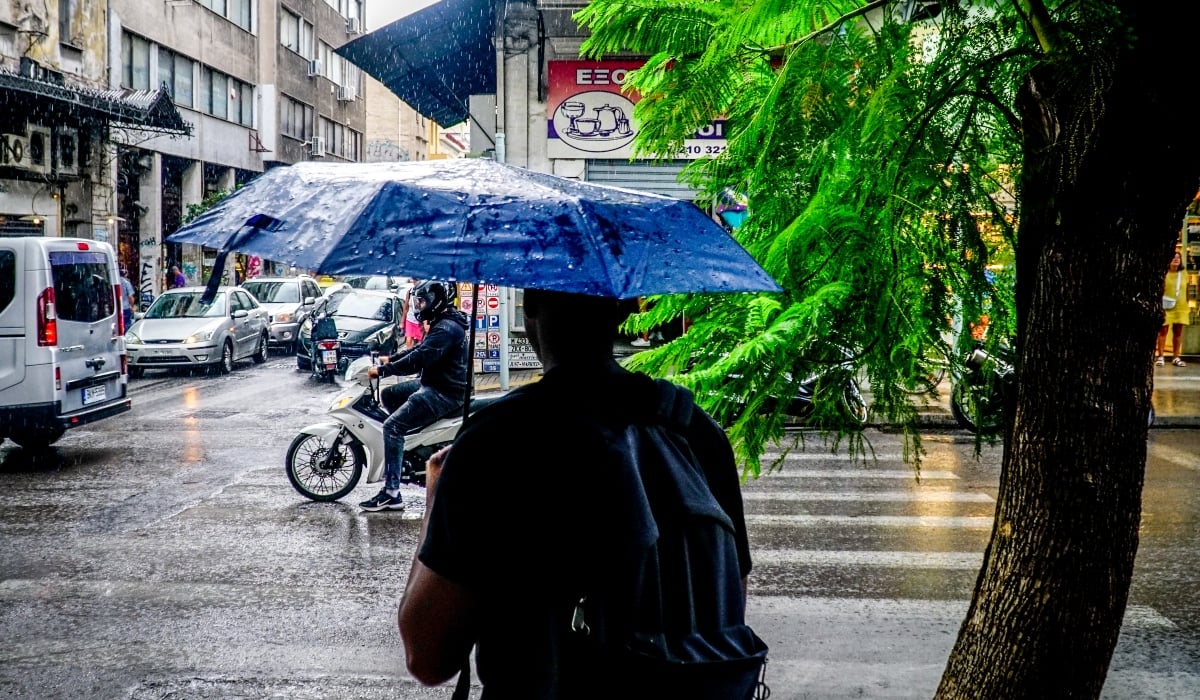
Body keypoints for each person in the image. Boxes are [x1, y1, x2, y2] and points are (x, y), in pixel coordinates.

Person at [397, 289, 752, 697]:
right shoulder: (696, 433)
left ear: (529, 305)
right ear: (623, 307)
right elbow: (728, 607)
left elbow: (428, 656)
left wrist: (435, 500)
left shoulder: (498, 442)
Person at [358, 280, 469, 512]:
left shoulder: (447, 329)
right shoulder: (441, 322)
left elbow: (420, 360)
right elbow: (418, 350)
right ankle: (407, 446)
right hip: (435, 384)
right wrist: (392, 359)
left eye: (422, 301)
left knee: (392, 427)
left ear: (436, 301)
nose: (418, 306)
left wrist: (384, 370)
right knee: (389, 394)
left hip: (445, 392)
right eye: (417, 301)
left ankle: (391, 493)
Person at [1157, 250, 1190, 367]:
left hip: (1180, 306)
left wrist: (1187, 303)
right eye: (1173, 258)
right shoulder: (1164, 273)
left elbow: (1186, 289)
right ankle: (1160, 356)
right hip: (1166, 305)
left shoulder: (1184, 273)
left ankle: (1176, 356)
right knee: (1163, 331)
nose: (1176, 259)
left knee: (1178, 332)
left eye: (1178, 258)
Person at [403, 278, 424, 349]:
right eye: (414, 279)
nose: (415, 281)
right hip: (410, 320)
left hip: (421, 321)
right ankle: (408, 357)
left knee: (420, 343)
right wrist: (402, 322)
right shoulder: (409, 292)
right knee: (409, 341)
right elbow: (406, 308)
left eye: (417, 279)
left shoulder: (424, 291)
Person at [119, 266, 136, 331]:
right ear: (125, 275)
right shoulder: (126, 283)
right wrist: (132, 306)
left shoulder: (115, 282)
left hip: (116, 309)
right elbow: (130, 297)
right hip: (125, 308)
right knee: (126, 325)